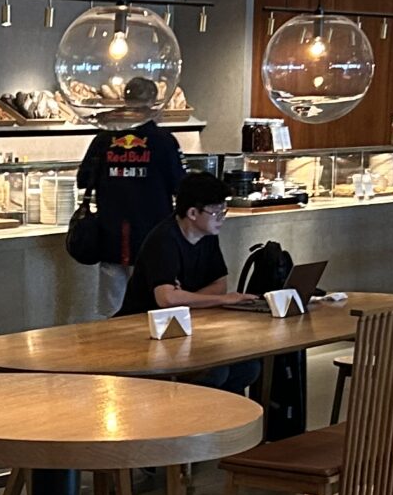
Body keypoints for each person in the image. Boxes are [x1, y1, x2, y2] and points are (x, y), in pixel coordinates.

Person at [117, 170, 265, 392]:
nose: (221, 218)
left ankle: (227, 423)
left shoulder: (207, 236)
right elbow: (165, 298)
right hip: (143, 329)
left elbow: (219, 284)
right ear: (193, 213)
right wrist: (218, 299)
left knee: (247, 367)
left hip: (184, 324)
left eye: (223, 211)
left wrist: (184, 297)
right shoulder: (164, 239)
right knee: (215, 371)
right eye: (216, 213)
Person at [76, 116, 185, 315]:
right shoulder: (164, 140)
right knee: (153, 304)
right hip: (153, 234)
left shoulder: (103, 139)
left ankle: (113, 343)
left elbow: (83, 179)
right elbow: (180, 184)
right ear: (152, 104)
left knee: (113, 307)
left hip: (111, 233)